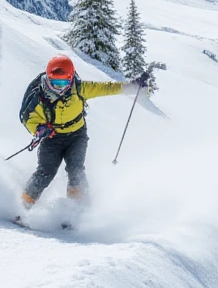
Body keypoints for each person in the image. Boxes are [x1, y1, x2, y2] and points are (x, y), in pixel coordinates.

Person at [18, 54, 148, 209]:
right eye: (54, 82)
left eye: (63, 82)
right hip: (52, 138)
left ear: (71, 78)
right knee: (46, 171)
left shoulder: (79, 89)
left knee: (76, 170)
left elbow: (106, 88)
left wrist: (131, 86)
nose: (58, 87)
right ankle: (23, 206)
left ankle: (76, 211)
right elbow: (28, 117)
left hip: (76, 136)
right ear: (48, 78)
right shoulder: (40, 95)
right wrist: (39, 129)